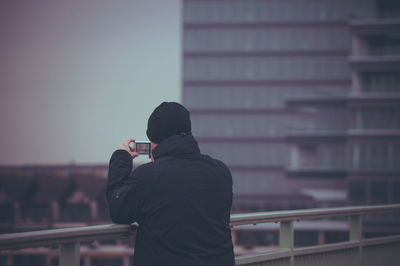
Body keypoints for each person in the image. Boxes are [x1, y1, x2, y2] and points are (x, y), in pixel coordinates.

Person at [106, 102, 235, 266]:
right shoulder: (220, 171)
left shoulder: (147, 176)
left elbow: (119, 210)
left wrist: (121, 158)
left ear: (154, 140)